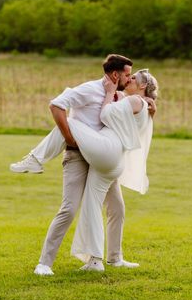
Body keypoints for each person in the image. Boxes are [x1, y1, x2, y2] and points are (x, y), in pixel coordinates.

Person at [10, 55, 155, 275]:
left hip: (105, 155)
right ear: (116, 75)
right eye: (128, 74)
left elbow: (127, 109)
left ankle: (113, 258)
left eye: (132, 76)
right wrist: (69, 140)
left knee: (116, 208)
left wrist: (147, 102)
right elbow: (56, 104)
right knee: (71, 209)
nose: (129, 78)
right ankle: (45, 263)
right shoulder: (91, 89)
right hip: (81, 155)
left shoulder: (121, 96)